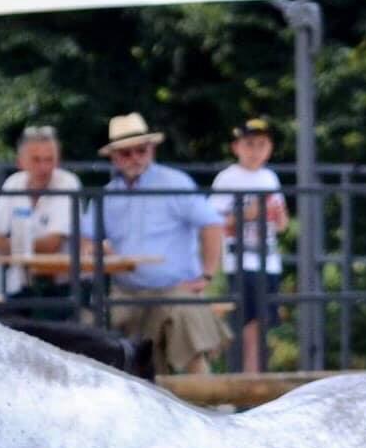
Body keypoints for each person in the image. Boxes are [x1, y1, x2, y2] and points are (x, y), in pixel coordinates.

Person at [83, 112, 227, 374]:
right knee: (92, 333)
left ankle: (211, 405)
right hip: (126, 292)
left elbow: (212, 224)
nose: (135, 158)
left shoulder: (175, 183)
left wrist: (206, 275)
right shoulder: (106, 195)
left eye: (141, 150)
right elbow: (86, 240)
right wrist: (96, 249)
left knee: (187, 332)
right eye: (126, 153)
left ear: (152, 149)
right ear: (114, 158)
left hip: (173, 288)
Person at [210, 118, 288, 373]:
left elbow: (282, 223)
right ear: (237, 147)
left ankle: (254, 377)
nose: (256, 151)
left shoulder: (270, 177)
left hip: (269, 258)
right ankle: (245, 378)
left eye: (262, 144)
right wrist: (250, 214)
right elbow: (214, 222)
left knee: (262, 322)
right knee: (246, 322)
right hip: (240, 259)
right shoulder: (227, 179)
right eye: (249, 144)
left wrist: (276, 216)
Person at [0, 125, 84, 313]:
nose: (44, 167)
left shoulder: (68, 184)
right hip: (27, 286)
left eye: (49, 160)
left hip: (63, 289)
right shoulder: (14, 183)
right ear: (21, 162)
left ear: (58, 161)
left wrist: (10, 245)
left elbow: (53, 245)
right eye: (36, 160)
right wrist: (23, 246)